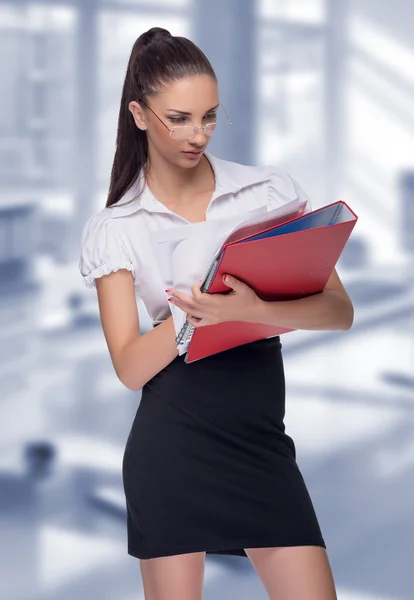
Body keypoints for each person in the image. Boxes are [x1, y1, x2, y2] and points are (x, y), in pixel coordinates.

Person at [79, 26, 353, 600]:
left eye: (209, 116)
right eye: (177, 118)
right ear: (138, 113)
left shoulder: (266, 192)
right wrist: (196, 312)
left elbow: (338, 312)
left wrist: (253, 308)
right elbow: (129, 367)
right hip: (172, 445)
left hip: (261, 443)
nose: (196, 134)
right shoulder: (116, 227)